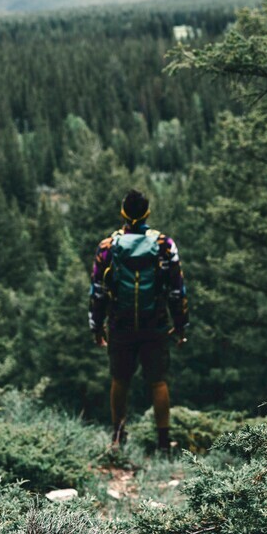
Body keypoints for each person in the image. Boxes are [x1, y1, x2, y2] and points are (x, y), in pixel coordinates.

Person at [89, 189, 188, 454]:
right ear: (147, 213)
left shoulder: (107, 247)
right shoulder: (164, 245)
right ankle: (164, 442)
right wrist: (180, 325)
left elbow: (97, 292)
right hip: (154, 323)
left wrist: (96, 327)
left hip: (120, 325)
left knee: (120, 380)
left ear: (123, 212)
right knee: (158, 381)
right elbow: (177, 290)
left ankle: (118, 438)